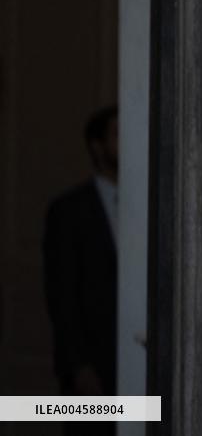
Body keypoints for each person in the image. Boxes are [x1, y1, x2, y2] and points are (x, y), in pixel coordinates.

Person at [43, 106, 118, 435]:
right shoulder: (69, 210)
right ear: (97, 146)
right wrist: (78, 364)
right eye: (118, 134)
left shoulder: (151, 202)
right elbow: (62, 293)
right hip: (92, 362)